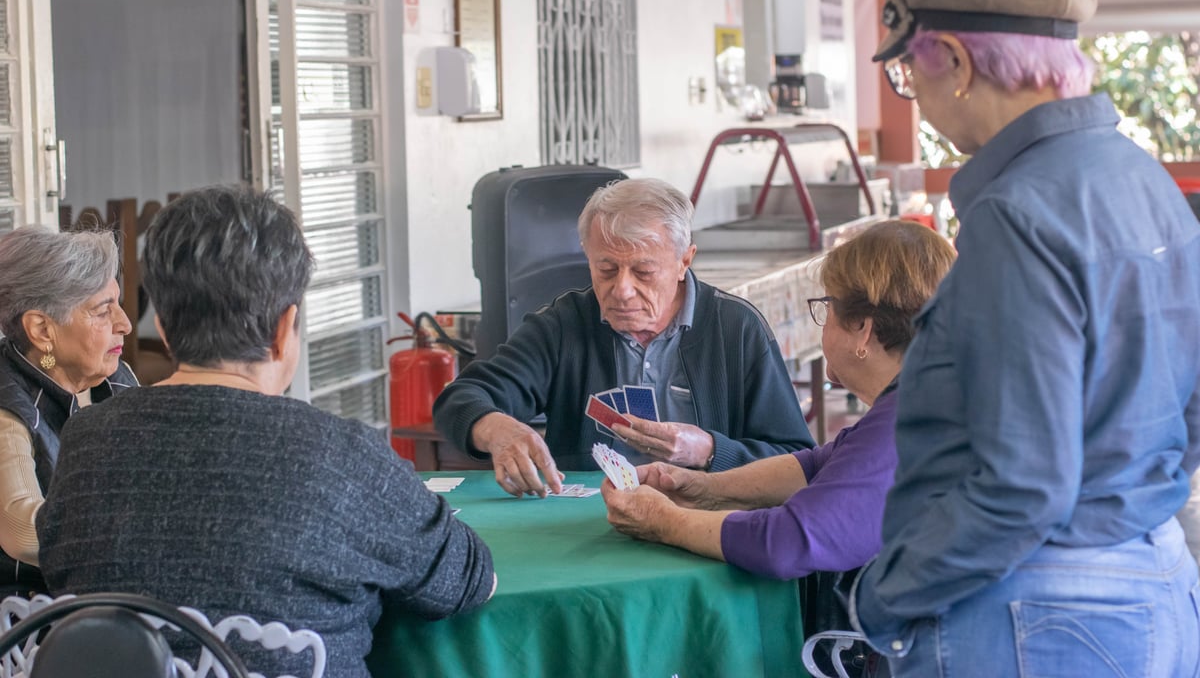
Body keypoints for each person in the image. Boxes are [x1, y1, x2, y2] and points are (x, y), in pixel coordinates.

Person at [849, 0, 1200, 677]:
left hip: (1034, 611)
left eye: (909, 74)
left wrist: (884, 595)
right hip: (1158, 583)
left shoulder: (1017, 212)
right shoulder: (1142, 180)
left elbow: (1023, 487)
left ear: (956, 61)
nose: (919, 97)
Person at [37, 185, 496, 678]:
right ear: (285, 329)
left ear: (165, 328)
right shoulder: (340, 455)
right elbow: (468, 579)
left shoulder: (86, 441)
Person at [602, 221, 954, 675]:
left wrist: (663, 520)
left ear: (863, 329)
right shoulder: (932, 391)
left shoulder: (910, 421)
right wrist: (701, 488)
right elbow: (817, 464)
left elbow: (788, 543)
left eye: (827, 309)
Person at [434, 177, 814, 498]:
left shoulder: (736, 329)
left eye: (644, 272)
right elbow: (461, 398)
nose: (622, 289)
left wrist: (711, 451)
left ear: (685, 261)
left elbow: (798, 460)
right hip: (589, 523)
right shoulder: (565, 325)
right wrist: (495, 427)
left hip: (708, 523)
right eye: (606, 269)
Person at [0, 225, 136, 596]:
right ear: (42, 330)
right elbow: (22, 531)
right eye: (102, 311)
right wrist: (141, 529)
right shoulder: (7, 407)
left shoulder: (113, 375)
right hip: (31, 624)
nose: (124, 324)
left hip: (104, 595)